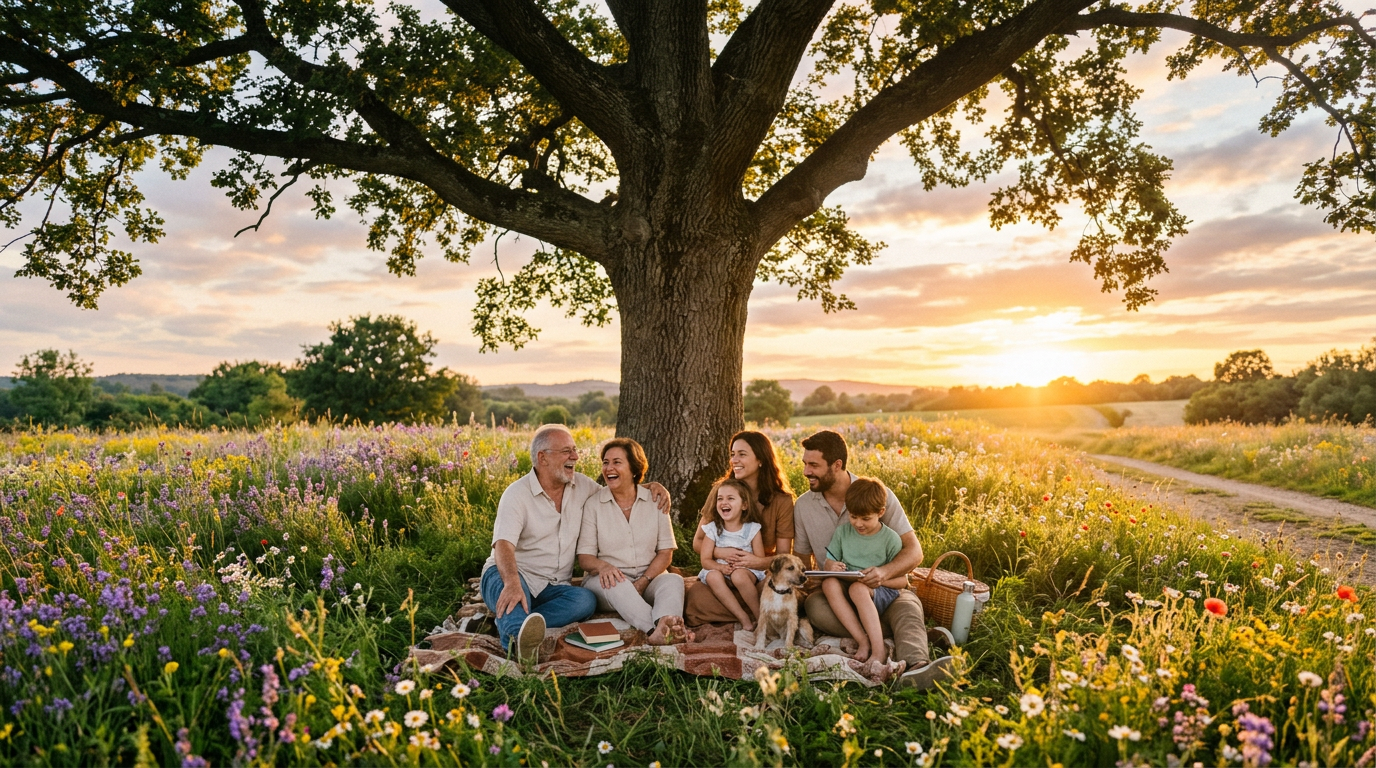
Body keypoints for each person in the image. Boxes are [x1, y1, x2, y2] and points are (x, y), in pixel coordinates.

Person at [480, 424, 671, 663]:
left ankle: (517, 621)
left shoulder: (582, 486)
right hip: (512, 574)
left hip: (553, 587)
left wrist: (652, 487)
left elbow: (618, 491)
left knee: (585, 601)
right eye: (566, 451)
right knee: (514, 597)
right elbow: (503, 546)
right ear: (543, 458)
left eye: (575, 450)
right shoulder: (516, 494)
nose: (575, 457)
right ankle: (519, 645)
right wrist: (512, 583)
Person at [794, 429, 956, 689]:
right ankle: (900, 633)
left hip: (882, 586)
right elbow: (802, 563)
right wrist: (821, 577)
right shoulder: (803, 506)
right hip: (839, 597)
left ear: (837, 466)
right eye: (805, 464)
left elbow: (914, 552)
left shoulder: (876, 494)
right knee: (816, 608)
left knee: (907, 606)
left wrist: (883, 573)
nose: (806, 471)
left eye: (813, 465)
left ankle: (917, 667)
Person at [577, 438, 693, 645]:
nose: (609, 468)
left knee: (673, 580)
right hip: (607, 584)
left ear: (634, 468)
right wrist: (604, 567)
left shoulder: (655, 499)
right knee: (616, 581)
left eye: (616, 462)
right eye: (605, 462)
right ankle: (654, 631)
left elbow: (666, 553)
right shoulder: (593, 504)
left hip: (648, 577)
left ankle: (668, 622)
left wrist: (643, 581)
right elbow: (585, 558)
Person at [684, 431, 795, 625]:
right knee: (695, 597)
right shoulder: (722, 491)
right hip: (722, 572)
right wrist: (724, 553)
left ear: (761, 459)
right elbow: (698, 542)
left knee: (778, 589)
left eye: (742, 454)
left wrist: (756, 562)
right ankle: (752, 615)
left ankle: (752, 612)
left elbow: (784, 555)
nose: (735, 460)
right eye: (732, 454)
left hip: (757, 576)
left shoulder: (781, 500)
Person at [819, 477, 904, 665]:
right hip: (851, 587)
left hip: (880, 590)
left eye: (866, 518)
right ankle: (862, 640)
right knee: (829, 583)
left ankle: (879, 650)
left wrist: (878, 578)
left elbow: (902, 582)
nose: (858, 524)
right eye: (853, 516)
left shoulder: (891, 539)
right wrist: (831, 567)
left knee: (857, 589)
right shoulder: (843, 533)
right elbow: (829, 563)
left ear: (881, 512)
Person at [695, 477, 765, 629]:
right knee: (712, 575)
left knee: (738, 575)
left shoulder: (752, 529)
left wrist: (745, 563)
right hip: (720, 571)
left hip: (745, 572)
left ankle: (760, 616)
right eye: (720, 499)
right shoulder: (712, 529)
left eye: (730, 498)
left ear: (744, 505)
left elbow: (759, 561)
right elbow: (705, 560)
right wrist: (720, 568)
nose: (724, 502)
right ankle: (743, 617)